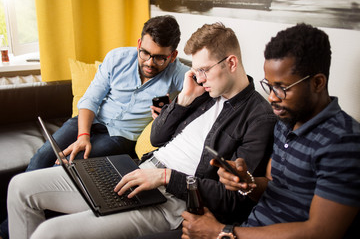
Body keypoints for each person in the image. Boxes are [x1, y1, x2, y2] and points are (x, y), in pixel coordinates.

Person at [6, 22, 277, 239]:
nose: (199, 78)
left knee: (49, 233)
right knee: (19, 186)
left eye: (204, 70)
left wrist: (165, 177)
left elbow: (234, 199)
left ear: (231, 63)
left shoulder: (259, 117)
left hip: (171, 198)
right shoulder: (201, 92)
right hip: (139, 170)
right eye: (196, 71)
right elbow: (158, 136)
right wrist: (183, 100)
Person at [0, 15, 189, 239]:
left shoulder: (180, 74)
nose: (149, 62)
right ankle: (8, 231)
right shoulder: (117, 58)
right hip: (91, 121)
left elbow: (208, 89)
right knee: (42, 156)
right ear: (139, 44)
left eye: (159, 58)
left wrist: (171, 110)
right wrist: (83, 135)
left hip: (121, 136)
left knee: (75, 166)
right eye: (145, 53)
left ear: (173, 56)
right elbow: (90, 99)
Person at [181, 23, 360, 239]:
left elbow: (321, 231)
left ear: (318, 83)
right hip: (249, 228)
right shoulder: (285, 124)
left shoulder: (344, 141)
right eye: (269, 85)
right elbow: (274, 186)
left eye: (282, 88)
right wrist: (246, 183)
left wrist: (221, 232)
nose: (272, 97)